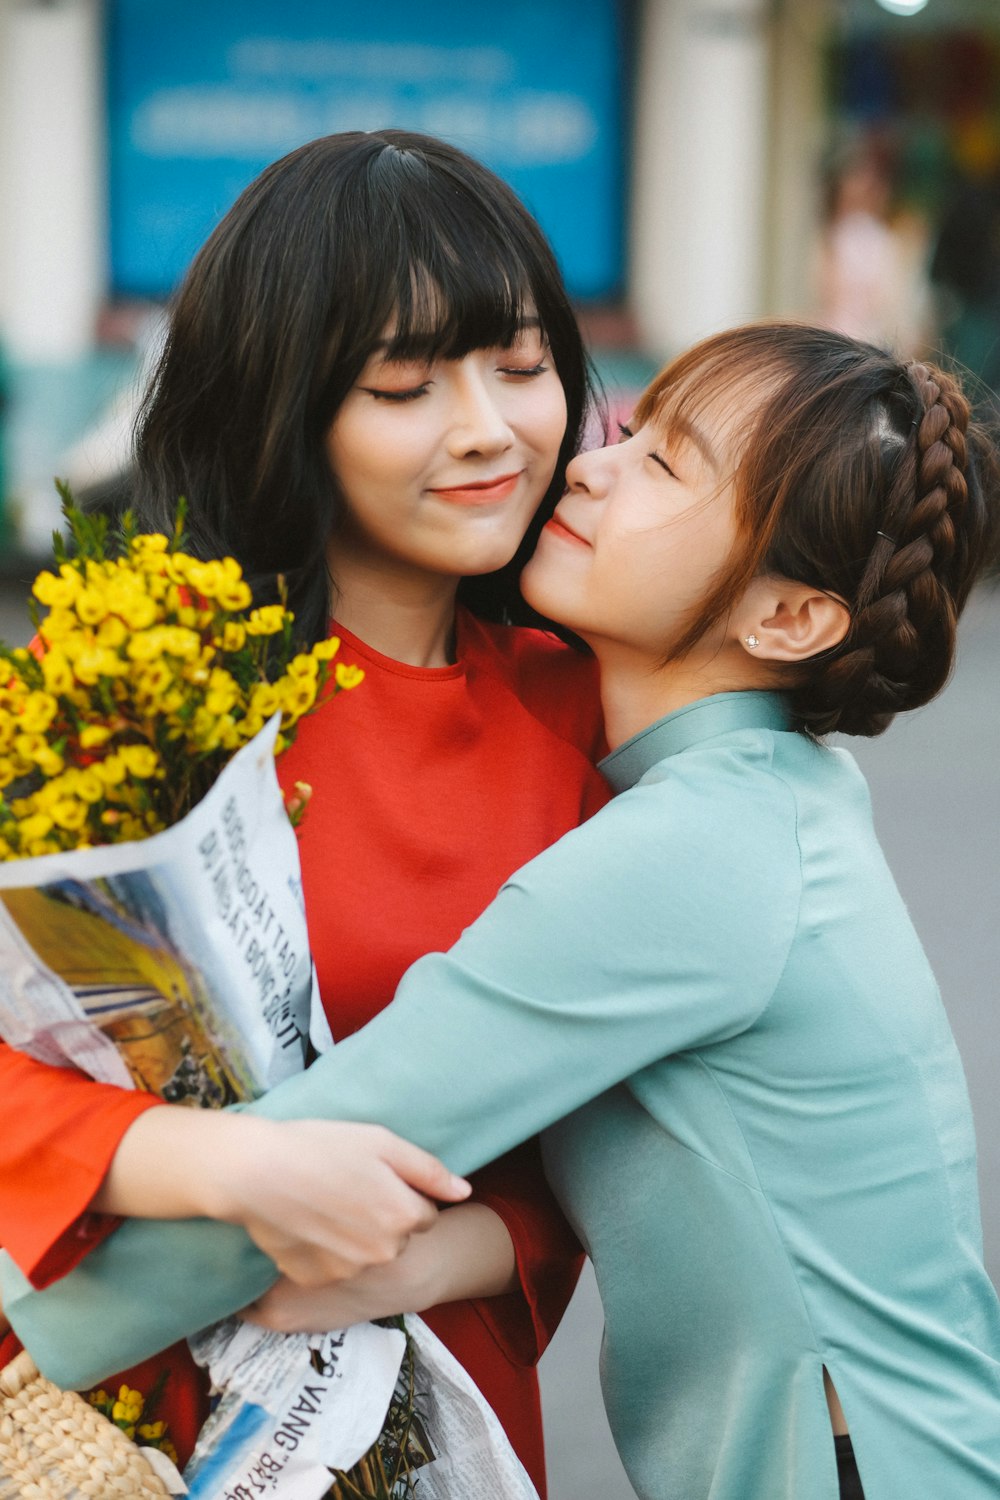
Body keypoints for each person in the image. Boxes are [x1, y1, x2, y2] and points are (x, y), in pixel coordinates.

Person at [9, 322, 1000, 1500]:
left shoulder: (695, 849)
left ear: (789, 622)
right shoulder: (763, 802)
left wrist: (34, 1351)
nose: (589, 465)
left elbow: (363, 1123)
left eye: (667, 468)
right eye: (630, 436)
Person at [0, 130, 611, 1489]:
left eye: (520, 367)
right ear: (281, 404)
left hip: (432, 1417)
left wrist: (452, 1251)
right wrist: (219, 1167)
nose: (487, 428)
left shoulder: (587, 712)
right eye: (405, 381)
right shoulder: (124, 682)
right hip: (98, 1414)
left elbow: (646, 1118)